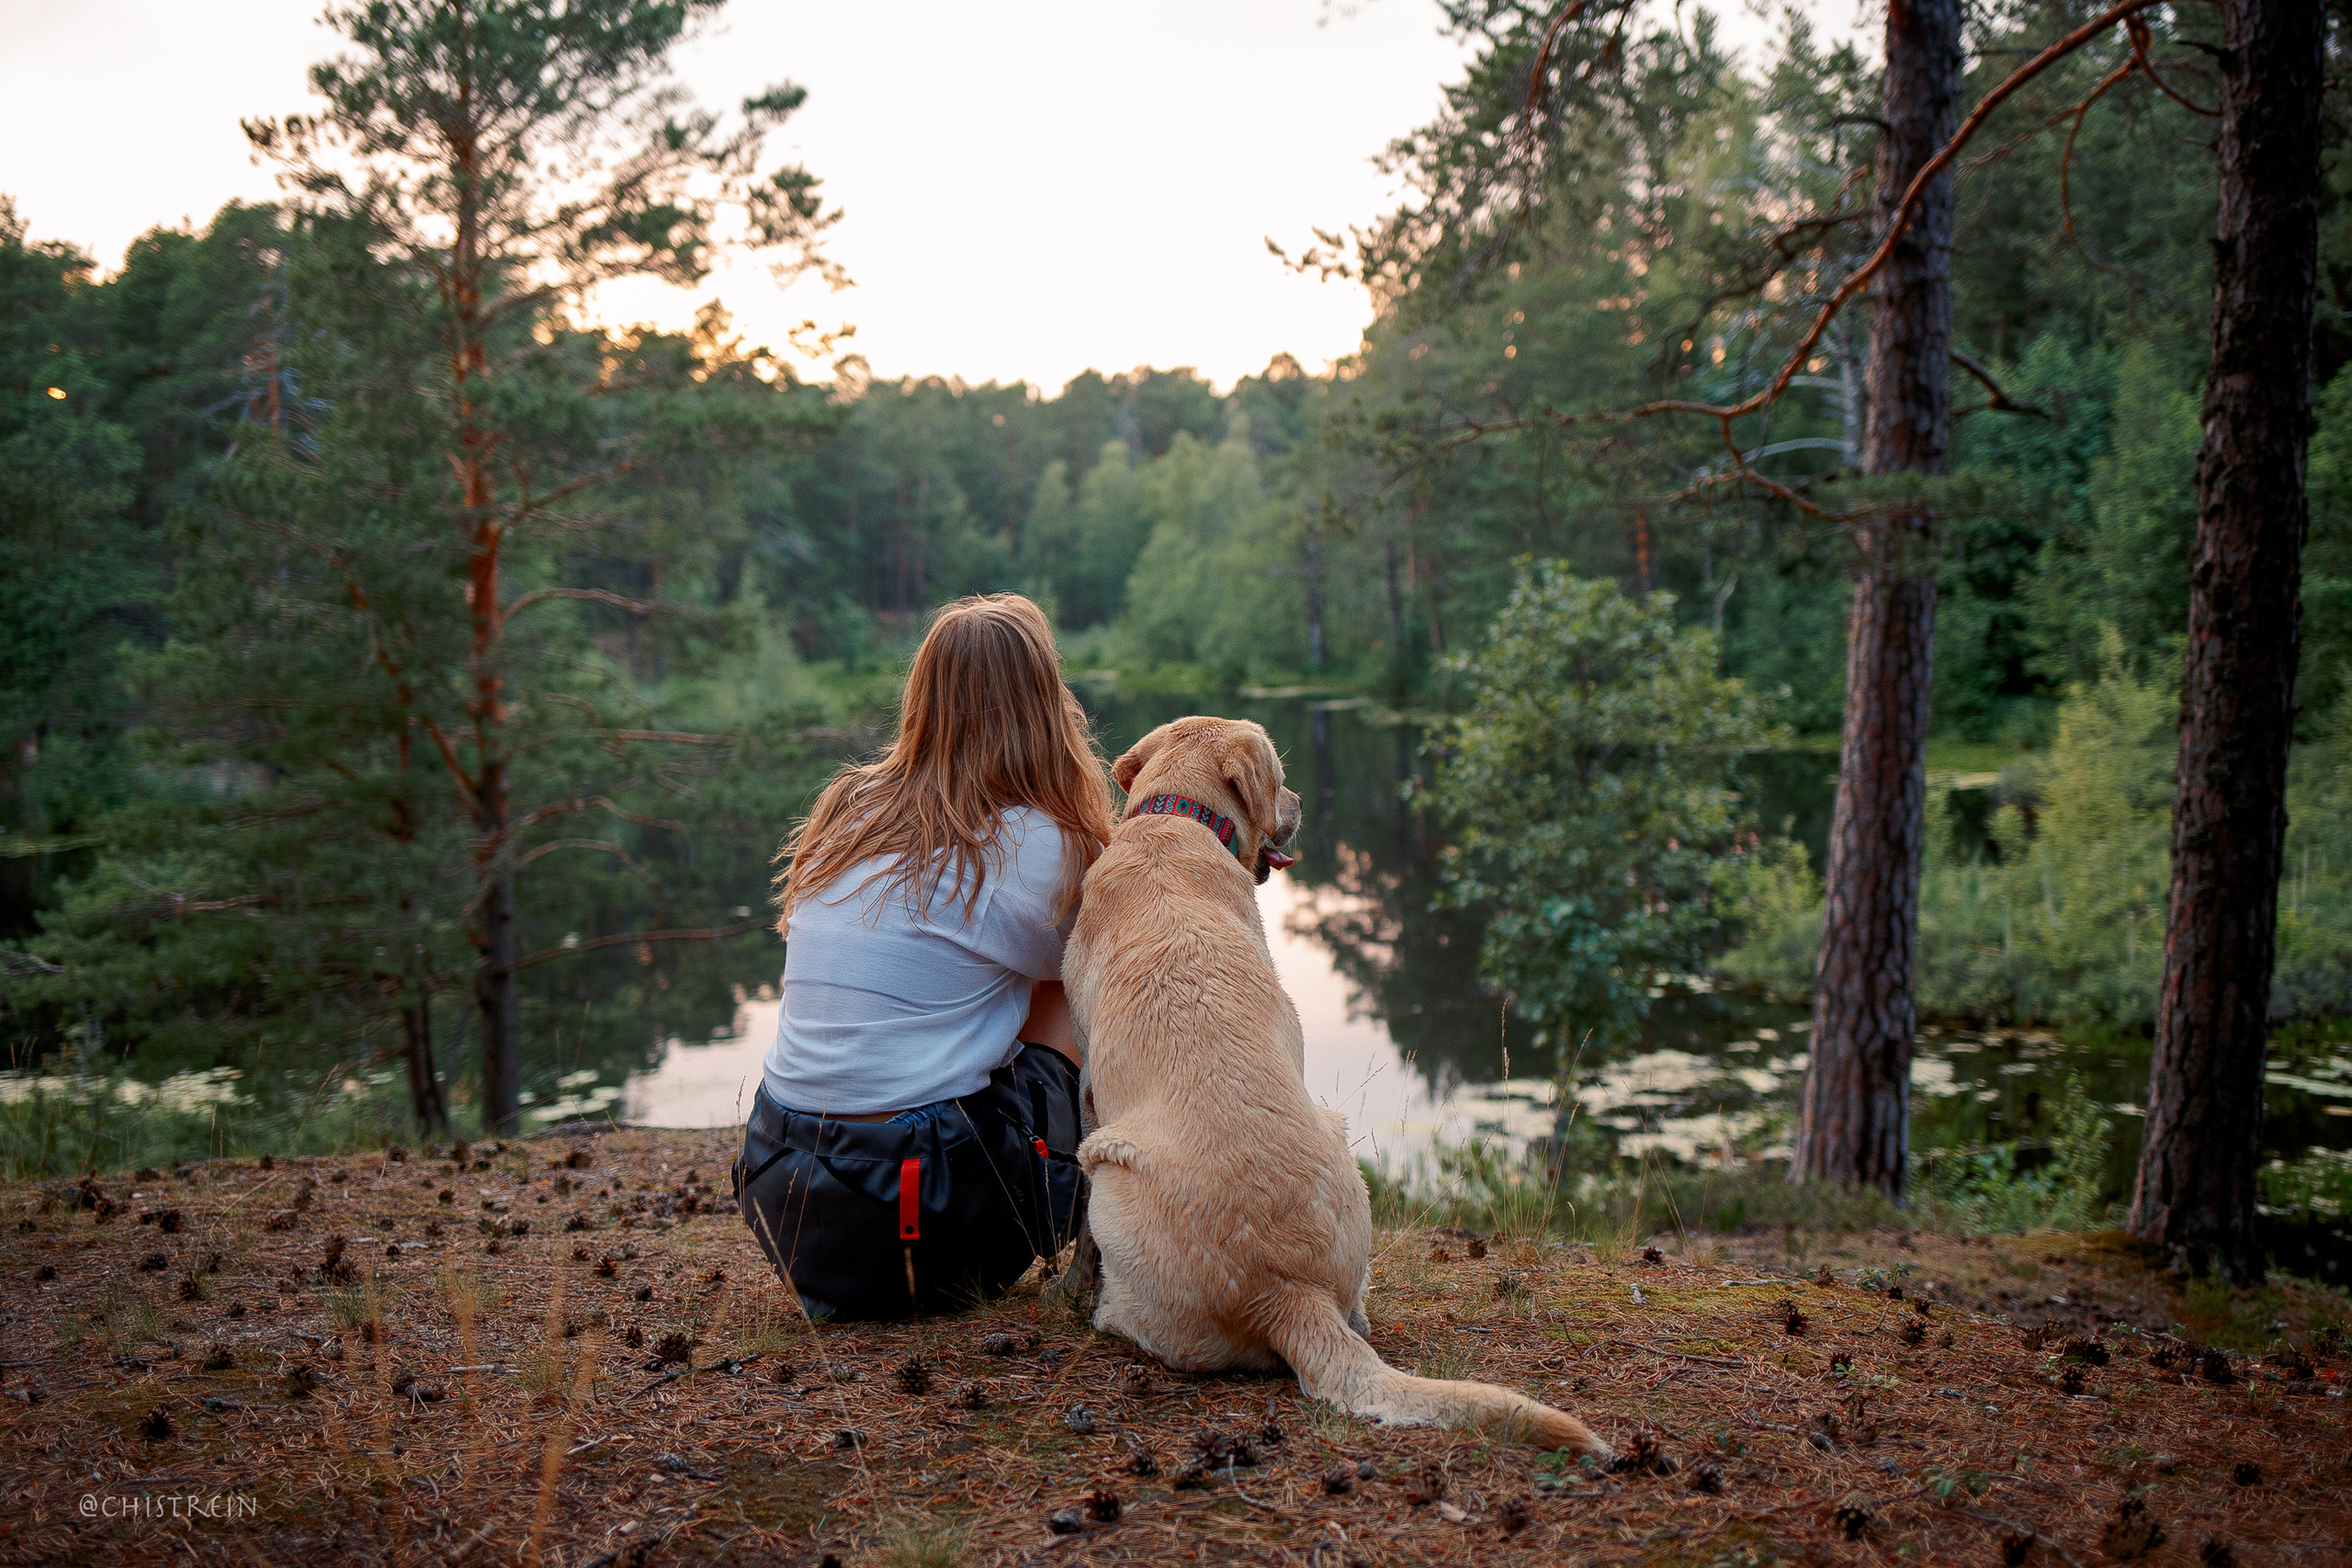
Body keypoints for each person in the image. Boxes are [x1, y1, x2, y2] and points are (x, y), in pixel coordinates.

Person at [731, 594, 1111, 1321]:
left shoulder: (851, 807)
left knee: (991, 977)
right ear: (1044, 705)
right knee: (1083, 969)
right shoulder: (1038, 842)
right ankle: (1121, 1209)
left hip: (787, 1200)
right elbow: (1126, 957)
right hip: (925, 1220)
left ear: (924, 699)